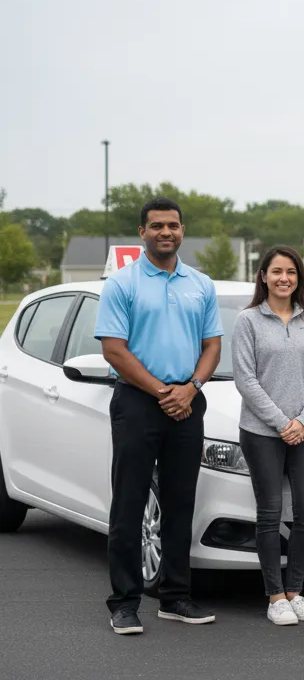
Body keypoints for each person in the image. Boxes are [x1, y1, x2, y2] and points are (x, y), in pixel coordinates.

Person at [94, 197, 223, 634]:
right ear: (142, 233)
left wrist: (192, 388)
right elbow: (113, 348)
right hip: (137, 402)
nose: (165, 232)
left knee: (179, 503)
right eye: (156, 226)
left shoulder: (200, 285)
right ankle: (125, 602)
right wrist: (162, 390)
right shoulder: (122, 284)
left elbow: (212, 346)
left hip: (188, 401)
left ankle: (174, 596)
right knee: (129, 503)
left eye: (172, 225)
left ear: (182, 231)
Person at [232, 246, 304, 626]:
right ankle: (275, 596)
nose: (284, 278)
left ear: (298, 277)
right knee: (270, 513)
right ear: (263, 276)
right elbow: (245, 379)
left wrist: (302, 421)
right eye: (276, 272)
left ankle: (296, 591)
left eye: (291, 272)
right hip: (261, 432)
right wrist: (281, 423)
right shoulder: (248, 321)